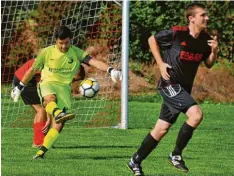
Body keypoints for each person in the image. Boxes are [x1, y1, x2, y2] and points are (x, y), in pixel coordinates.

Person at [127, 2, 218, 175]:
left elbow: (209, 64)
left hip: (183, 89)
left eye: (206, 15)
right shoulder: (177, 33)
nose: (207, 18)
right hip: (169, 84)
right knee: (196, 114)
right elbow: (152, 40)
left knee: (161, 129)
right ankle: (176, 155)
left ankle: (135, 161)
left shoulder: (205, 39)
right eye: (203, 15)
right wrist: (160, 64)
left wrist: (214, 51)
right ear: (191, 19)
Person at [11, 25, 122, 159]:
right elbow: (32, 70)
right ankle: (49, 126)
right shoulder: (47, 52)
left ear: (71, 40)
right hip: (38, 81)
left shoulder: (76, 53)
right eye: (60, 43)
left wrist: (111, 70)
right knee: (47, 102)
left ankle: (41, 151)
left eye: (67, 43)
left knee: (59, 123)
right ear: (55, 41)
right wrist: (19, 87)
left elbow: (94, 62)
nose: (64, 46)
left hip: (60, 87)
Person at [12, 59, 50, 148]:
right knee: (41, 110)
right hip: (25, 80)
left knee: (40, 110)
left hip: (24, 78)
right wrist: (19, 87)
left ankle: (37, 141)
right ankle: (39, 142)